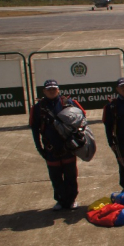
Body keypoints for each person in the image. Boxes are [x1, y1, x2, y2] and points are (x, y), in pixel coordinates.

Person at [30, 79, 85, 210]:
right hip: (50, 148)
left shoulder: (68, 103)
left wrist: (79, 138)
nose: (51, 91)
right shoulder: (38, 108)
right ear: (44, 91)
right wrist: (39, 148)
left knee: (70, 175)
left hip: (68, 146)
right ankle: (60, 200)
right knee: (55, 176)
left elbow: (82, 117)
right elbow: (34, 128)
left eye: (54, 89)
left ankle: (71, 200)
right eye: (48, 89)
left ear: (58, 90)